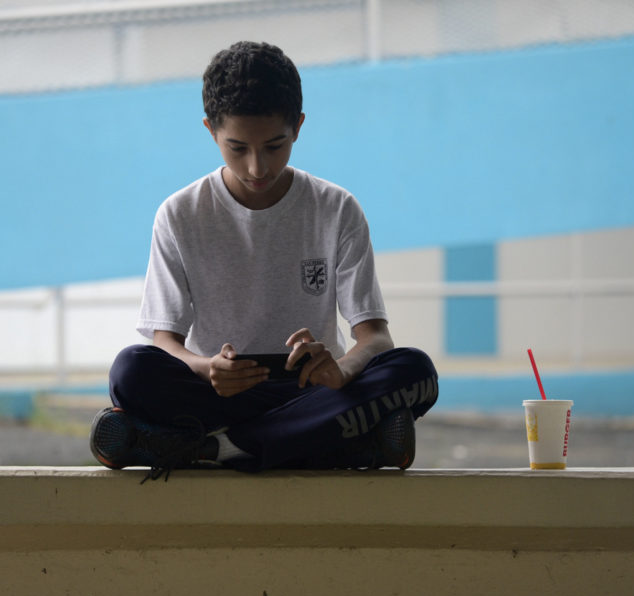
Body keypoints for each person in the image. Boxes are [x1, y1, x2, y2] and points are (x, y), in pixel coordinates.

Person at [90, 41, 438, 481]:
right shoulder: (180, 214)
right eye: (238, 148)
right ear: (210, 131)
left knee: (414, 370)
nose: (257, 167)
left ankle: (220, 447)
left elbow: (375, 340)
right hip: (220, 390)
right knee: (131, 369)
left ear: (298, 127)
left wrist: (340, 371)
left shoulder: (336, 208)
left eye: (275, 146)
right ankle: (335, 441)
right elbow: (165, 343)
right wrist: (206, 367)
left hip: (312, 387)